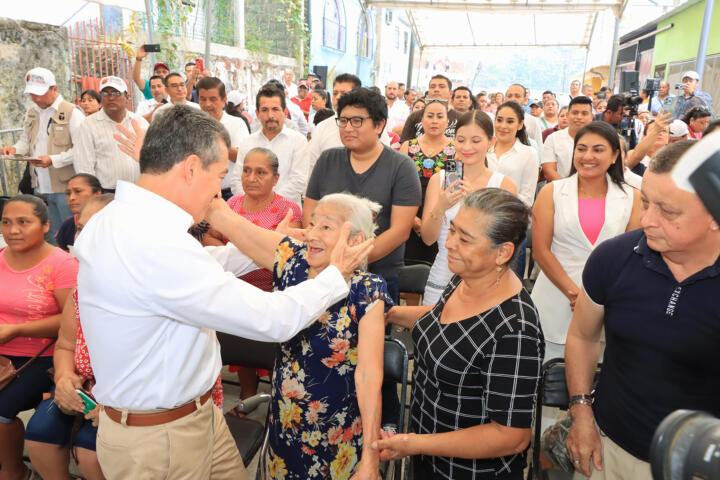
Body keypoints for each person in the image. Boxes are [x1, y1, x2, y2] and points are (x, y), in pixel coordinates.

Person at [74, 104, 374, 479]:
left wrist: (273, 242)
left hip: (193, 419)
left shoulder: (121, 220)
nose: (219, 190)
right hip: (163, 439)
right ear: (190, 168)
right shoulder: (153, 244)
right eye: (219, 175)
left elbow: (201, 269)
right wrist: (335, 275)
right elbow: (274, 319)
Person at [564, 140, 720, 480]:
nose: (647, 220)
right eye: (646, 202)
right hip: (606, 453)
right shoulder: (614, 258)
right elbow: (582, 336)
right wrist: (581, 411)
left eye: (668, 211)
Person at [378, 188, 544, 479]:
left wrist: (415, 443)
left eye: (464, 239)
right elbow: (443, 321)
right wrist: (389, 314)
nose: (450, 244)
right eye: (452, 230)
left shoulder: (515, 329)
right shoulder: (467, 278)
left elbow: (511, 436)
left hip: (468, 471)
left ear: (502, 252)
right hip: (428, 456)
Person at [260, 192, 390, 479]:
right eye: (312, 224)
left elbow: (369, 377)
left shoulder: (367, 290)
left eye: (326, 227)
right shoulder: (292, 267)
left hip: (336, 438)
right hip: (284, 428)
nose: (311, 234)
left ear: (355, 241)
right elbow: (235, 229)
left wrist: (370, 460)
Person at [532, 121, 642, 363]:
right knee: (547, 375)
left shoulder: (632, 197)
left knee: (595, 379)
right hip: (555, 296)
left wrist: (595, 299)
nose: (587, 156)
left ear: (615, 156)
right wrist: (575, 294)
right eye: (581, 149)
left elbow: (632, 255)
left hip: (608, 302)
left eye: (598, 150)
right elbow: (541, 250)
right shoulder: (551, 192)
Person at [24, 195, 114, 480]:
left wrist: (119, 410)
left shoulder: (150, 293)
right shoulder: (82, 290)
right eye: (80, 228)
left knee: (90, 450)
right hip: (86, 389)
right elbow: (65, 344)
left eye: (95, 229)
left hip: (138, 400)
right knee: (39, 436)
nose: (83, 239)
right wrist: (63, 379)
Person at [304, 87, 421, 302]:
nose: (348, 128)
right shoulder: (327, 160)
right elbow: (310, 215)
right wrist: (328, 260)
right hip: (324, 273)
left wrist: (348, 260)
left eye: (357, 121)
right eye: (343, 121)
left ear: (379, 125)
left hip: (378, 276)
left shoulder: (402, 167)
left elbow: (400, 231)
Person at [0, 194, 78, 480]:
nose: (13, 230)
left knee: (1, 410)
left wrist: (17, 329)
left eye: (23, 222)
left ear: (45, 225)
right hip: (3, 354)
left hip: (45, 357)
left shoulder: (62, 265)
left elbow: (71, 320)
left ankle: (13, 471)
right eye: (6, 222)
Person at [422, 111, 517, 305]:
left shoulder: (504, 185)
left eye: (475, 141)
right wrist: (440, 207)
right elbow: (428, 238)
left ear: (491, 142)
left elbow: (505, 245)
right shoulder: (438, 180)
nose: (467, 147)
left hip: (486, 282)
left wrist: (477, 204)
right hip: (442, 274)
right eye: (461, 140)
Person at [2, 68, 84, 243]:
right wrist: (15, 150)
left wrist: (53, 160)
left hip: (65, 187)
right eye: (32, 94)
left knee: (72, 233)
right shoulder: (32, 111)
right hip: (40, 186)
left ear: (54, 88)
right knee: (51, 236)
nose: (35, 98)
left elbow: (81, 149)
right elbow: (26, 141)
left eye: (39, 93)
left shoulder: (72, 113)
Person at [229, 85, 308, 205]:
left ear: (285, 112)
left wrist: (267, 205)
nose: (270, 115)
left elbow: (298, 181)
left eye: (275, 109)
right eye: (265, 110)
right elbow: (236, 180)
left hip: (286, 214)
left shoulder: (298, 141)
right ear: (257, 113)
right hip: (249, 214)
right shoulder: (247, 142)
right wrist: (251, 203)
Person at [400, 100, 455, 266]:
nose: (434, 121)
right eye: (430, 116)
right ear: (421, 120)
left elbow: (454, 190)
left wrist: (434, 219)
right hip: (408, 216)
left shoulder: (455, 150)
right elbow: (398, 188)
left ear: (447, 122)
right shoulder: (407, 146)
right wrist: (413, 220)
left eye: (440, 116)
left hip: (441, 220)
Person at [74, 76, 149, 193]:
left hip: (140, 190)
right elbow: (84, 165)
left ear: (127, 97)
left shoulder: (140, 123)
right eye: (105, 93)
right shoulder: (88, 125)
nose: (110, 97)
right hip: (107, 193)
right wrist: (93, 194)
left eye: (116, 93)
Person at [196, 77, 251, 200]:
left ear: (223, 100)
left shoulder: (236, 123)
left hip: (229, 194)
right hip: (200, 192)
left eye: (213, 99)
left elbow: (241, 158)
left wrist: (215, 137)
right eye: (202, 99)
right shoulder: (192, 125)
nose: (207, 104)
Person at [487, 102, 538, 208]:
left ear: (520, 125)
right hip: (479, 214)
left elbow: (527, 199)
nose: (503, 126)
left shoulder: (529, 154)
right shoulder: (484, 149)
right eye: (499, 120)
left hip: (510, 217)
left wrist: (497, 203)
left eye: (510, 121)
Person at [541, 96, 594, 180]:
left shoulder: (599, 139)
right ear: (567, 115)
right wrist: (568, 188)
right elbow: (548, 170)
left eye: (584, 113)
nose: (579, 117)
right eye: (575, 113)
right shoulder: (553, 139)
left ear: (591, 117)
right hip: (560, 188)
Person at [400, 75, 461, 142]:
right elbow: (405, 144)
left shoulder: (460, 118)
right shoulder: (414, 116)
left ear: (450, 93)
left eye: (441, 86)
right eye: (432, 87)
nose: (436, 89)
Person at [56, 173, 102, 251]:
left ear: (97, 194)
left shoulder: (111, 224)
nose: (71, 198)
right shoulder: (67, 226)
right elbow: (61, 258)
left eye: (78, 191)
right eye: (68, 193)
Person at [505, 84, 543, 149]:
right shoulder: (496, 120)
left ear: (525, 99)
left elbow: (539, 147)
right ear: (505, 99)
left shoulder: (533, 121)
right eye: (509, 96)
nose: (513, 99)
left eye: (517, 96)